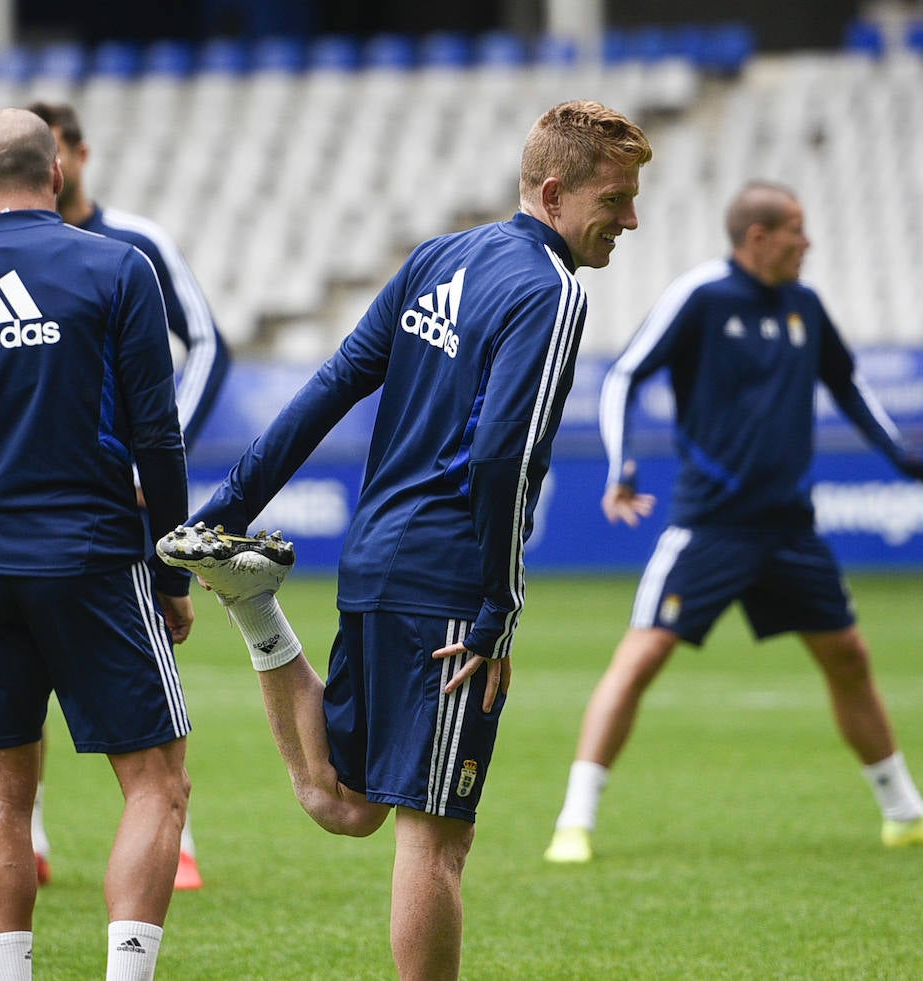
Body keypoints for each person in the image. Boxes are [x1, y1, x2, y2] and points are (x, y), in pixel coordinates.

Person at [157, 100, 652, 980]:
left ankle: (257, 609)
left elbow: (333, 383)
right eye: (615, 198)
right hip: (449, 587)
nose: (631, 219)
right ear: (554, 191)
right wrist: (496, 609)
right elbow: (504, 457)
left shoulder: (440, 257)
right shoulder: (551, 290)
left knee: (341, 801)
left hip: (376, 556)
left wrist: (225, 504)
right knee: (437, 842)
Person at [543, 180, 923, 865]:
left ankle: (904, 814)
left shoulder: (804, 306)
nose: (807, 243)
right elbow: (624, 375)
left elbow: (848, 383)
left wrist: (906, 460)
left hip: (789, 526)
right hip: (711, 525)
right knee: (641, 659)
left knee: (849, 658)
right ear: (759, 236)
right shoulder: (702, 296)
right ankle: (574, 820)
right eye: (796, 231)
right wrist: (622, 466)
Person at [0, 108, 194, 981]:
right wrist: (169, 569)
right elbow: (158, 437)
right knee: (156, 782)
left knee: (1, 792)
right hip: (95, 559)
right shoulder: (116, 269)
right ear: (56, 175)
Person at [25, 99, 229, 892]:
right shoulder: (8, 253)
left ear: (79, 151)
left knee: (152, 663)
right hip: (32, 495)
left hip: (122, 498)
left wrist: (160, 448)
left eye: (59, 148)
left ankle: (176, 839)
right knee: (23, 665)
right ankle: (33, 834)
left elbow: (210, 340)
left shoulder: (135, 242)